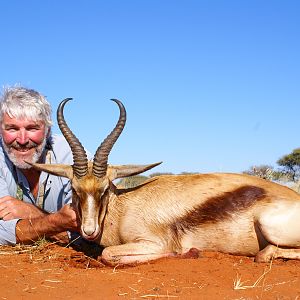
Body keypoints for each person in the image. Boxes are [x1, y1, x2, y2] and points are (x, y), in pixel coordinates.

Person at [0, 86, 79, 245]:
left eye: (32, 128)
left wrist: (30, 213)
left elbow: (86, 231)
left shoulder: (74, 156)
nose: (22, 140)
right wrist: (58, 223)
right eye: (12, 128)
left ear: (48, 132)